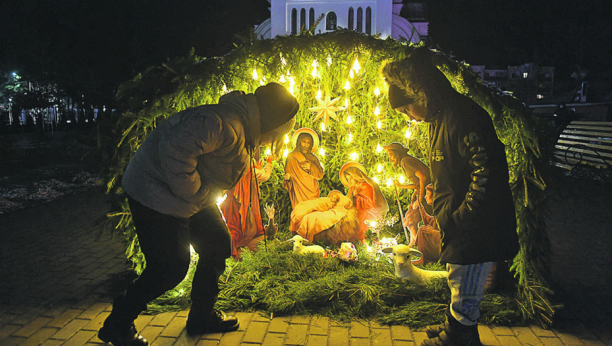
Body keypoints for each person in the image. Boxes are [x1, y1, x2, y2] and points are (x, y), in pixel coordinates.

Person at [98, 83, 299, 346]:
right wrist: (194, 193)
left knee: (217, 242)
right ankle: (118, 322)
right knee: (169, 267)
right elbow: (174, 151)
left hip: (187, 195)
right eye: (278, 133)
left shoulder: (242, 129)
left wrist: (197, 195)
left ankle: (201, 316)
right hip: (155, 192)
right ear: (270, 122)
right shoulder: (221, 123)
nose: (275, 140)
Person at [383, 47, 519, 346]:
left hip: (476, 221)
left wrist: (463, 214)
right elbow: (449, 165)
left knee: (467, 277)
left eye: (407, 109)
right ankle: (455, 325)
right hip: (456, 217)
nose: (409, 117)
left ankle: (461, 336)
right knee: (458, 276)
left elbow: (484, 171)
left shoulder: (463, 117)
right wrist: (439, 190)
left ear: (421, 95)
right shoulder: (438, 119)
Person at [219, 153, 273, 258]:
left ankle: (231, 247)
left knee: (233, 224)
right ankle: (234, 249)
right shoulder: (248, 169)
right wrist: (269, 164)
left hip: (231, 201)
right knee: (240, 225)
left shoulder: (232, 165)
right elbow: (264, 175)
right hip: (241, 203)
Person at [339, 162, 389, 240]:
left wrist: (357, 197)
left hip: (366, 217)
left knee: (365, 234)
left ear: (356, 176)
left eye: (351, 178)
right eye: (347, 179)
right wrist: (352, 194)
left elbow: (372, 204)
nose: (349, 181)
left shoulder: (366, 186)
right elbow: (347, 203)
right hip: (357, 217)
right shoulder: (352, 189)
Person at [383, 143, 432, 215]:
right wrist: (401, 186)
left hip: (429, 195)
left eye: (391, 155)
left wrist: (420, 198)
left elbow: (423, 177)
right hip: (426, 194)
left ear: (397, 154)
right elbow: (417, 184)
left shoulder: (406, 162)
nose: (390, 159)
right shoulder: (405, 161)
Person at [283, 128, 324, 208]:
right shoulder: (291, 157)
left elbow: (320, 174)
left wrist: (311, 167)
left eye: (308, 143)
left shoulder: (313, 158)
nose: (306, 145)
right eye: (304, 142)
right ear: (299, 142)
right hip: (298, 191)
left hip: (312, 191)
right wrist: (288, 178)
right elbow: (288, 177)